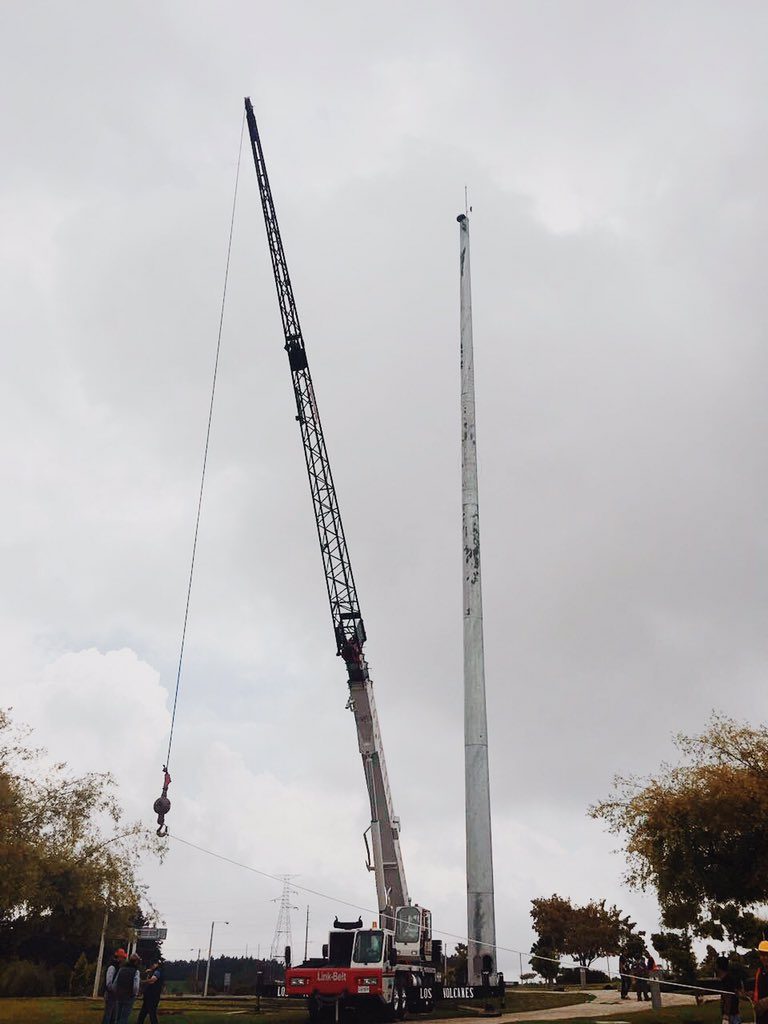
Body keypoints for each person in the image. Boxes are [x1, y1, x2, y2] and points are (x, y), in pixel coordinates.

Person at [114, 953, 142, 1024]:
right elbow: (136, 986)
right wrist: (135, 994)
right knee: (124, 1017)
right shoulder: (136, 971)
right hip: (129, 995)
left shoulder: (121, 969)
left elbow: (115, 982)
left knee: (118, 1016)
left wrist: (116, 991)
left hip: (119, 994)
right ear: (136, 962)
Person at [102, 949, 127, 1024]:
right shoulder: (112, 967)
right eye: (123, 957)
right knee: (108, 1015)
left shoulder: (116, 966)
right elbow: (109, 983)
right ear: (119, 957)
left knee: (113, 1015)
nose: (124, 959)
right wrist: (114, 991)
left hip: (114, 994)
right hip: (111, 993)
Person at [137, 958, 165, 1024]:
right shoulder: (153, 971)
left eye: (153, 964)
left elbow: (152, 980)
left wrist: (142, 981)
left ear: (156, 964)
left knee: (151, 1014)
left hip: (153, 996)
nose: (151, 966)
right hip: (149, 996)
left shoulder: (157, 972)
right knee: (143, 1014)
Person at [716, 955, 743, 1024]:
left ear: (718, 967)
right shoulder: (730, 978)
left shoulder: (726, 980)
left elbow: (728, 997)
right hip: (735, 1013)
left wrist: (726, 1015)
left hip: (731, 1015)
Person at [753, 941, 768, 1024]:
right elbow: (757, 990)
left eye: (766, 955)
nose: (764, 958)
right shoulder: (759, 971)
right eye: (762, 955)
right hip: (761, 1016)